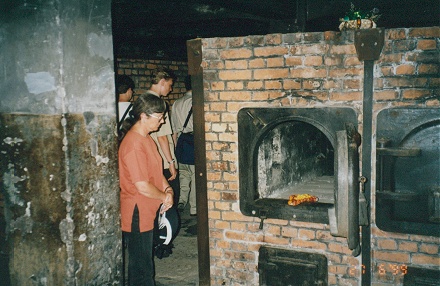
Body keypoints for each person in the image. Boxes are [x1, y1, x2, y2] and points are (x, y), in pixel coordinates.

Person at [118, 93, 174, 285]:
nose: (163, 121)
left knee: (144, 263)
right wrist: (163, 197)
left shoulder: (147, 138)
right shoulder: (133, 144)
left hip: (148, 208)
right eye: (160, 117)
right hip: (137, 211)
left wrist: (168, 191)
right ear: (143, 116)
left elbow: (156, 172)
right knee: (141, 267)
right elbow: (142, 186)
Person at [146, 68, 180, 205]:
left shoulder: (142, 100)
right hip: (163, 159)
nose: (171, 89)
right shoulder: (159, 104)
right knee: (170, 197)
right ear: (162, 82)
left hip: (149, 156)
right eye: (170, 85)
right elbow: (163, 137)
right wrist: (171, 163)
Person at [171, 75, 196, 216]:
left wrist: (176, 149)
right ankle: (194, 208)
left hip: (181, 142)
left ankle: (181, 201)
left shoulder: (176, 103)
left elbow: (174, 129)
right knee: (195, 175)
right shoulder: (195, 102)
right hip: (193, 141)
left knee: (184, 174)